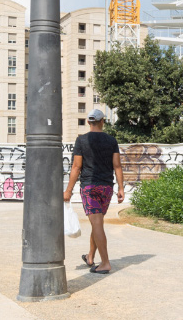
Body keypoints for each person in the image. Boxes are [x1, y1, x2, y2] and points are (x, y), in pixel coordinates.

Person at [64, 107, 125, 274]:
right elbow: (117, 166)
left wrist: (68, 190)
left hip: (90, 186)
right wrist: (120, 188)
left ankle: (105, 263)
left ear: (89, 122)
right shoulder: (111, 140)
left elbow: (76, 167)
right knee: (96, 222)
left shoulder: (82, 140)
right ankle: (90, 256)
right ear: (102, 122)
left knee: (96, 222)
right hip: (106, 187)